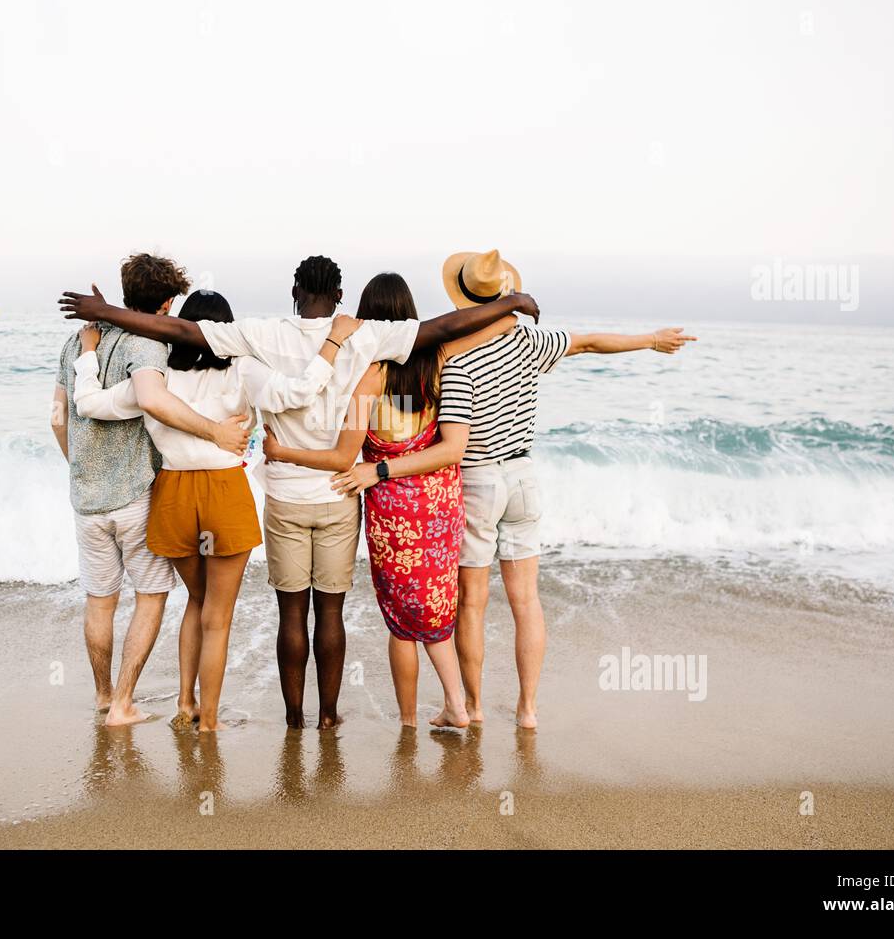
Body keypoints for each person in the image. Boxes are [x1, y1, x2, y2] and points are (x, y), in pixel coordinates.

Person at [59, 256, 538, 729]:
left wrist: (107, 315)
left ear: (294, 292)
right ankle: (327, 716)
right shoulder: (366, 335)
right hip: (337, 494)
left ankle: (279, 717)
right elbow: (442, 328)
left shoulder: (260, 335)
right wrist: (507, 305)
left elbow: (182, 335)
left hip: (266, 498)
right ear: (340, 296)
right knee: (329, 610)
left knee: (268, 610)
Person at [70, 291, 363, 731]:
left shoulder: (157, 375)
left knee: (197, 601)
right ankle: (208, 721)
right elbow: (301, 391)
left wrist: (88, 356)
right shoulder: (243, 370)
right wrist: (333, 343)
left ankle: (185, 704)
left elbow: (88, 403)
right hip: (223, 493)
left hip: (172, 495)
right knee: (218, 618)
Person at [436, 248, 697, 730]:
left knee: (471, 602)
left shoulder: (454, 356)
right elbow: (592, 343)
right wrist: (652, 340)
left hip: (478, 480)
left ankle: (471, 709)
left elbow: (455, 440)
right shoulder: (532, 343)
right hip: (523, 476)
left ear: (461, 300)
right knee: (526, 600)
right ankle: (528, 710)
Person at [263, 272, 515, 730]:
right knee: (437, 609)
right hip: (440, 499)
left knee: (402, 621)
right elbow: (497, 326)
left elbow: (343, 455)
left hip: (393, 508)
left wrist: (282, 452)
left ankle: (408, 722)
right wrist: (509, 303)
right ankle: (456, 704)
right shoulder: (439, 356)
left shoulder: (370, 377)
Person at [50, 253, 249, 727]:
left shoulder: (75, 343)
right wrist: (216, 433)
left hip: (92, 497)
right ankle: (131, 705)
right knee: (159, 599)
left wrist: (80, 468)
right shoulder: (152, 350)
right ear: (165, 304)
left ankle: (112, 698)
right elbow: (154, 400)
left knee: (101, 599)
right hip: (142, 494)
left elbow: (61, 416)